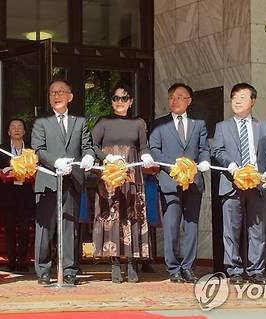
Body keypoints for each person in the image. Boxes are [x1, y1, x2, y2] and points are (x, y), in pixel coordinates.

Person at [211, 82, 266, 285]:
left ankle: (257, 270)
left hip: (258, 185)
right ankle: (235, 270)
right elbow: (217, 151)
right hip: (232, 184)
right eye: (234, 97)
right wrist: (230, 165)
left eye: (242, 97)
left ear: (253, 101)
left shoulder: (264, 127)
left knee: (257, 230)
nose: (237, 101)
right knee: (231, 230)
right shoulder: (222, 127)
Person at [31, 79, 95, 285]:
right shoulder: (41, 122)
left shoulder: (80, 121)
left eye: (60, 92)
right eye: (52, 93)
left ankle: (69, 270)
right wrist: (55, 162)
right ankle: (43, 270)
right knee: (45, 229)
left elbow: (87, 146)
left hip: (73, 180)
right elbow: (38, 149)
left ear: (70, 96)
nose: (56, 96)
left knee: (70, 228)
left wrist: (89, 157)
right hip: (48, 180)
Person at [90, 83, 155, 283]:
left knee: (132, 215)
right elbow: (91, 146)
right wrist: (106, 157)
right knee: (112, 216)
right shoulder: (104, 122)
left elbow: (144, 147)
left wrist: (147, 157)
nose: (120, 102)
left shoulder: (138, 123)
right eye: (116, 98)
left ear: (131, 101)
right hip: (110, 175)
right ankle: (115, 263)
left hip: (132, 174)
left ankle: (132, 263)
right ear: (112, 101)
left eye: (124, 98)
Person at [149, 83, 210, 283]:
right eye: (172, 97)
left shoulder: (198, 124)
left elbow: (203, 148)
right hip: (170, 181)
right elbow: (154, 150)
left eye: (180, 97)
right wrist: (172, 168)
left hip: (193, 182)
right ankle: (173, 267)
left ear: (189, 101)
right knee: (172, 226)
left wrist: (204, 161)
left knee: (191, 226)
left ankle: (189, 267)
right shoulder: (160, 124)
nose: (175, 101)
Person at [0, 118, 35, 273]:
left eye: (20, 127)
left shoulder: (30, 149)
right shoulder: (1, 149)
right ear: (8, 131)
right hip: (7, 192)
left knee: (24, 228)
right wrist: (0, 172)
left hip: (25, 193)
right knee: (9, 228)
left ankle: (22, 261)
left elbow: (37, 168)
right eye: (13, 127)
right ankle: (10, 261)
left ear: (24, 131)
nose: (16, 130)